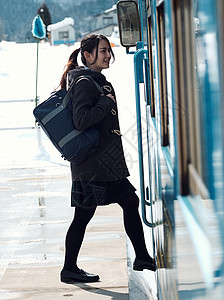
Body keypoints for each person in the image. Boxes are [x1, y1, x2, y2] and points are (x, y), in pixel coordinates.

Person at [59, 34, 156, 284]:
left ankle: (142, 256)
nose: (107, 55)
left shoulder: (96, 81)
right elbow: (81, 120)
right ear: (87, 55)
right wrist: (104, 103)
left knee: (129, 201)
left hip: (104, 164)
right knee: (83, 216)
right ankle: (69, 268)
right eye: (102, 51)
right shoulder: (83, 82)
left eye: (108, 51)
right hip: (92, 166)